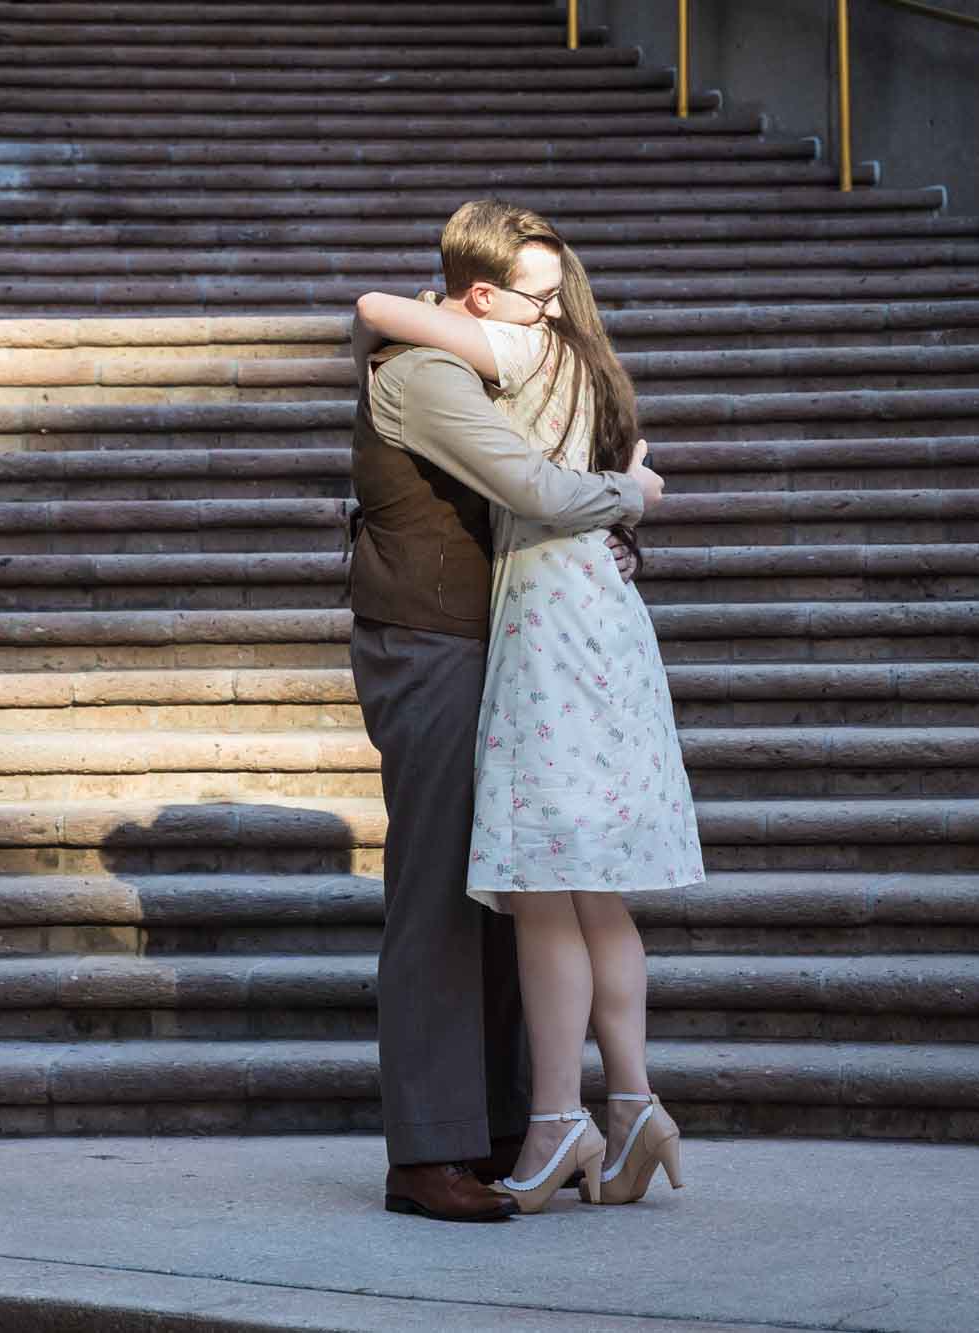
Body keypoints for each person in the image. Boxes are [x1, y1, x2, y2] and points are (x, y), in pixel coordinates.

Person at [354, 200, 704, 1216]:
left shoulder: (519, 352)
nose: (550, 316)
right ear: (476, 296)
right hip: (433, 640)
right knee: (448, 896)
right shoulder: (427, 367)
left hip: (515, 637)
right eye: (534, 299)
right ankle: (435, 1150)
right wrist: (624, 501)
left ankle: (528, 1118)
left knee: (526, 885)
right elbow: (530, 484)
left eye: (558, 300)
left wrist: (608, 509)